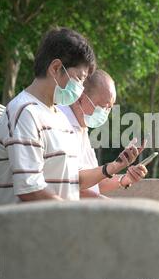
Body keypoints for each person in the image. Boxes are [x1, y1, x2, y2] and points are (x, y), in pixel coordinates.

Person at [0, 27, 143, 205]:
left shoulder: (58, 116)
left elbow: (76, 179)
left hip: (58, 221)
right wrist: (74, 212)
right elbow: (30, 190)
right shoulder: (25, 112)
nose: (80, 90)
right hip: (29, 227)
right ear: (56, 68)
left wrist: (114, 167)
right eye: (79, 79)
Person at [58, 70, 148, 198]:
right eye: (103, 106)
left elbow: (94, 183)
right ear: (81, 98)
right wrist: (104, 204)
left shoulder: (82, 127)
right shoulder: (59, 124)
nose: (105, 112)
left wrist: (125, 178)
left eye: (109, 108)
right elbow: (69, 184)